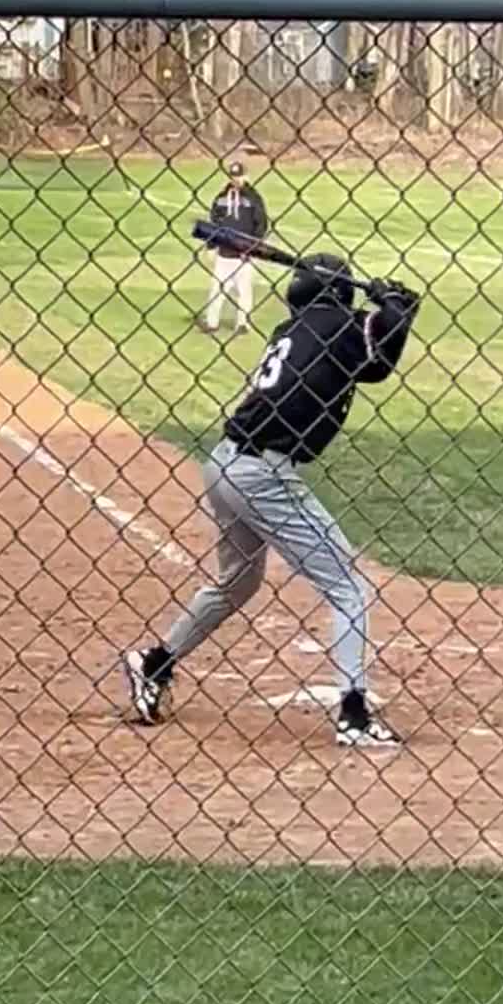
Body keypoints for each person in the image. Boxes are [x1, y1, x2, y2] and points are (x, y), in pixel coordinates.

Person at [125, 254, 420, 748]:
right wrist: (395, 312)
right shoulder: (333, 325)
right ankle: (353, 715)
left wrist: (394, 317)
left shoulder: (299, 328)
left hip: (224, 465)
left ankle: (155, 663)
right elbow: (379, 356)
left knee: (237, 583)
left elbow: (371, 363)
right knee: (348, 586)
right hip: (264, 474)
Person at [200, 160, 268, 338]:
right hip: (224, 253)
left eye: (239, 176)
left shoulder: (253, 198)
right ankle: (212, 322)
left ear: (246, 176)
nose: (236, 179)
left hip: (243, 254)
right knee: (217, 290)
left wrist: (254, 247)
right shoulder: (222, 197)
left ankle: (242, 323)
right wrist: (211, 245)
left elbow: (260, 224)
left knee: (244, 291)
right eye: (233, 176)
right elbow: (215, 222)